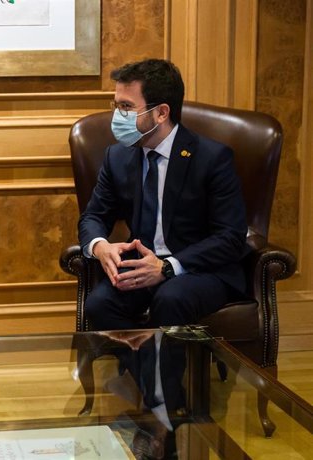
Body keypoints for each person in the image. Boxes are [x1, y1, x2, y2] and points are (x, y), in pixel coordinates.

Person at [79, 58, 248, 331]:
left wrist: (168, 267)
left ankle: (161, 374)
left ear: (161, 113)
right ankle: (144, 372)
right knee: (99, 305)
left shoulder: (212, 158)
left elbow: (230, 237)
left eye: (126, 107)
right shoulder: (118, 157)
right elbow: (94, 215)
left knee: (170, 299)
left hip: (198, 270)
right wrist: (101, 246)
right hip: (141, 267)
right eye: (116, 105)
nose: (117, 116)